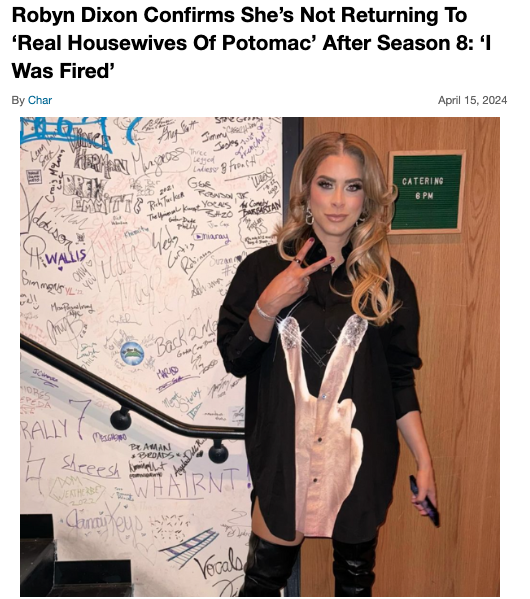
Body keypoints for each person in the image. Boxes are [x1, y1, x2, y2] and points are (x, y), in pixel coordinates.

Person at [217, 132, 437, 597]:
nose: (338, 201)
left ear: (367, 198)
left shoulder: (388, 280)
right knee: (262, 583)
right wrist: (268, 303)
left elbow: (399, 380)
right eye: (326, 184)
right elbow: (235, 359)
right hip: (283, 456)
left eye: (352, 187)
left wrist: (424, 460)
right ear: (306, 192)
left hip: (361, 458)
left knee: (355, 586)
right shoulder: (262, 269)